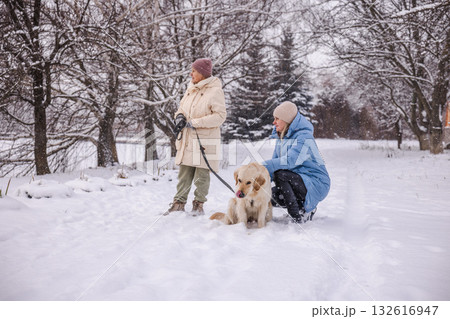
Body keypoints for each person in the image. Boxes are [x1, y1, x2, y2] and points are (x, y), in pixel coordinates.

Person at [166, 58, 227, 215]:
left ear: (202, 73)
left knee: (201, 175)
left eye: (194, 71)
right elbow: (181, 108)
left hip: (204, 140)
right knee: (184, 173)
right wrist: (179, 117)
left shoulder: (215, 91)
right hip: (188, 138)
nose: (190, 73)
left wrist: (195, 122)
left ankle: (198, 205)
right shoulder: (190, 89)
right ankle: (178, 203)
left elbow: (220, 116)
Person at [262, 101, 330, 223]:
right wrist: (257, 182)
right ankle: (298, 206)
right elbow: (272, 168)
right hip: (298, 180)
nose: (274, 122)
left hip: (316, 183)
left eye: (277, 118)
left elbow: (291, 161)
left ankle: (298, 214)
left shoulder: (304, 136)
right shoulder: (282, 138)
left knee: (281, 174)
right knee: (267, 197)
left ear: (287, 119)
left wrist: (262, 166)